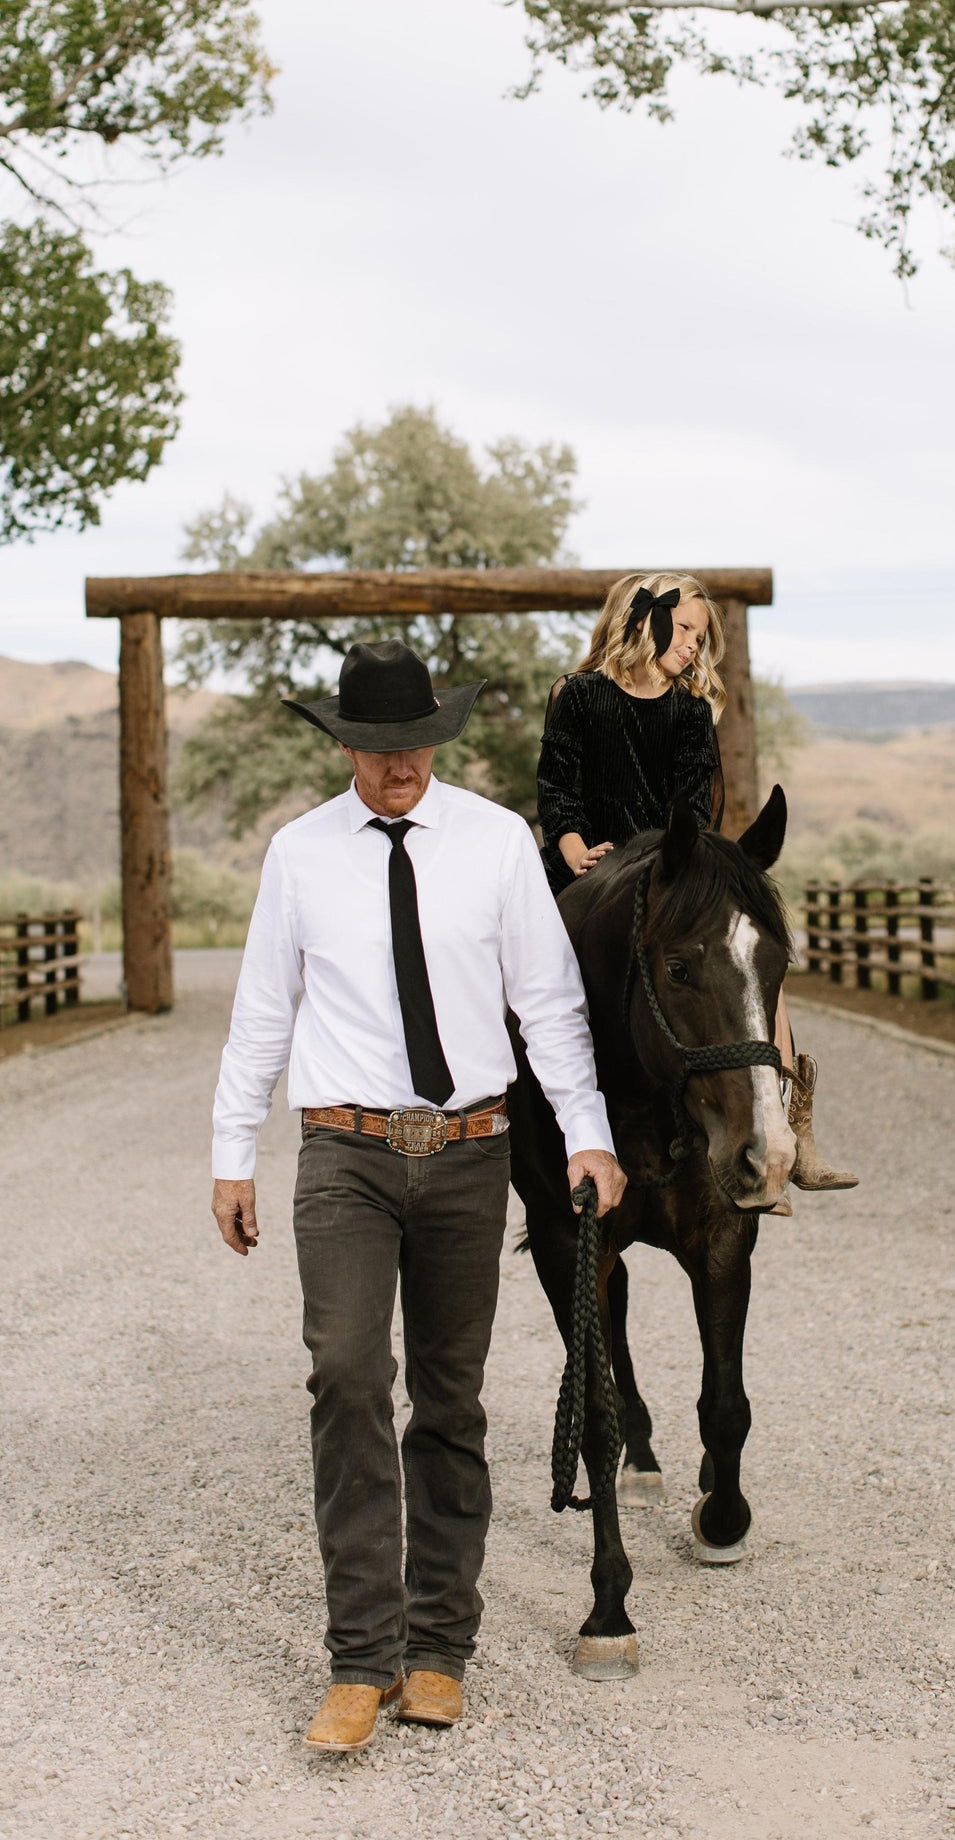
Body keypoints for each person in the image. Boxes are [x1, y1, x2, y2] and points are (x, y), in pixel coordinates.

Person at [209, 638, 625, 1753]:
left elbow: (547, 1006)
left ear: (435, 738)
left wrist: (585, 1133)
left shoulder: (493, 843)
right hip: (343, 1151)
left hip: (469, 1150)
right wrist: (230, 1151)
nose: (399, 767)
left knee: (449, 1399)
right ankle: (359, 1659)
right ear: (344, 742)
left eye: (415, 745)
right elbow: (261, 1009)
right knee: (346, 1375)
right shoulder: (299, 855)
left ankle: (438, 1648)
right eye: (378, 747)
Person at [536, 571, 857, 1201]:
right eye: (683, 628)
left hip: (672, 870)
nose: (691, 645)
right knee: (522, 961)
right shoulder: (575, 695)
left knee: (752, 954)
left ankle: (791, 1119)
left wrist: (681, 866)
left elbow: (698, 798)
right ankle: (514, 1115)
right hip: (588, 862)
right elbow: (557, 780)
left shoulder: (689, 710)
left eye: (699, 635)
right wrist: (571, 843)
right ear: (639, 619)